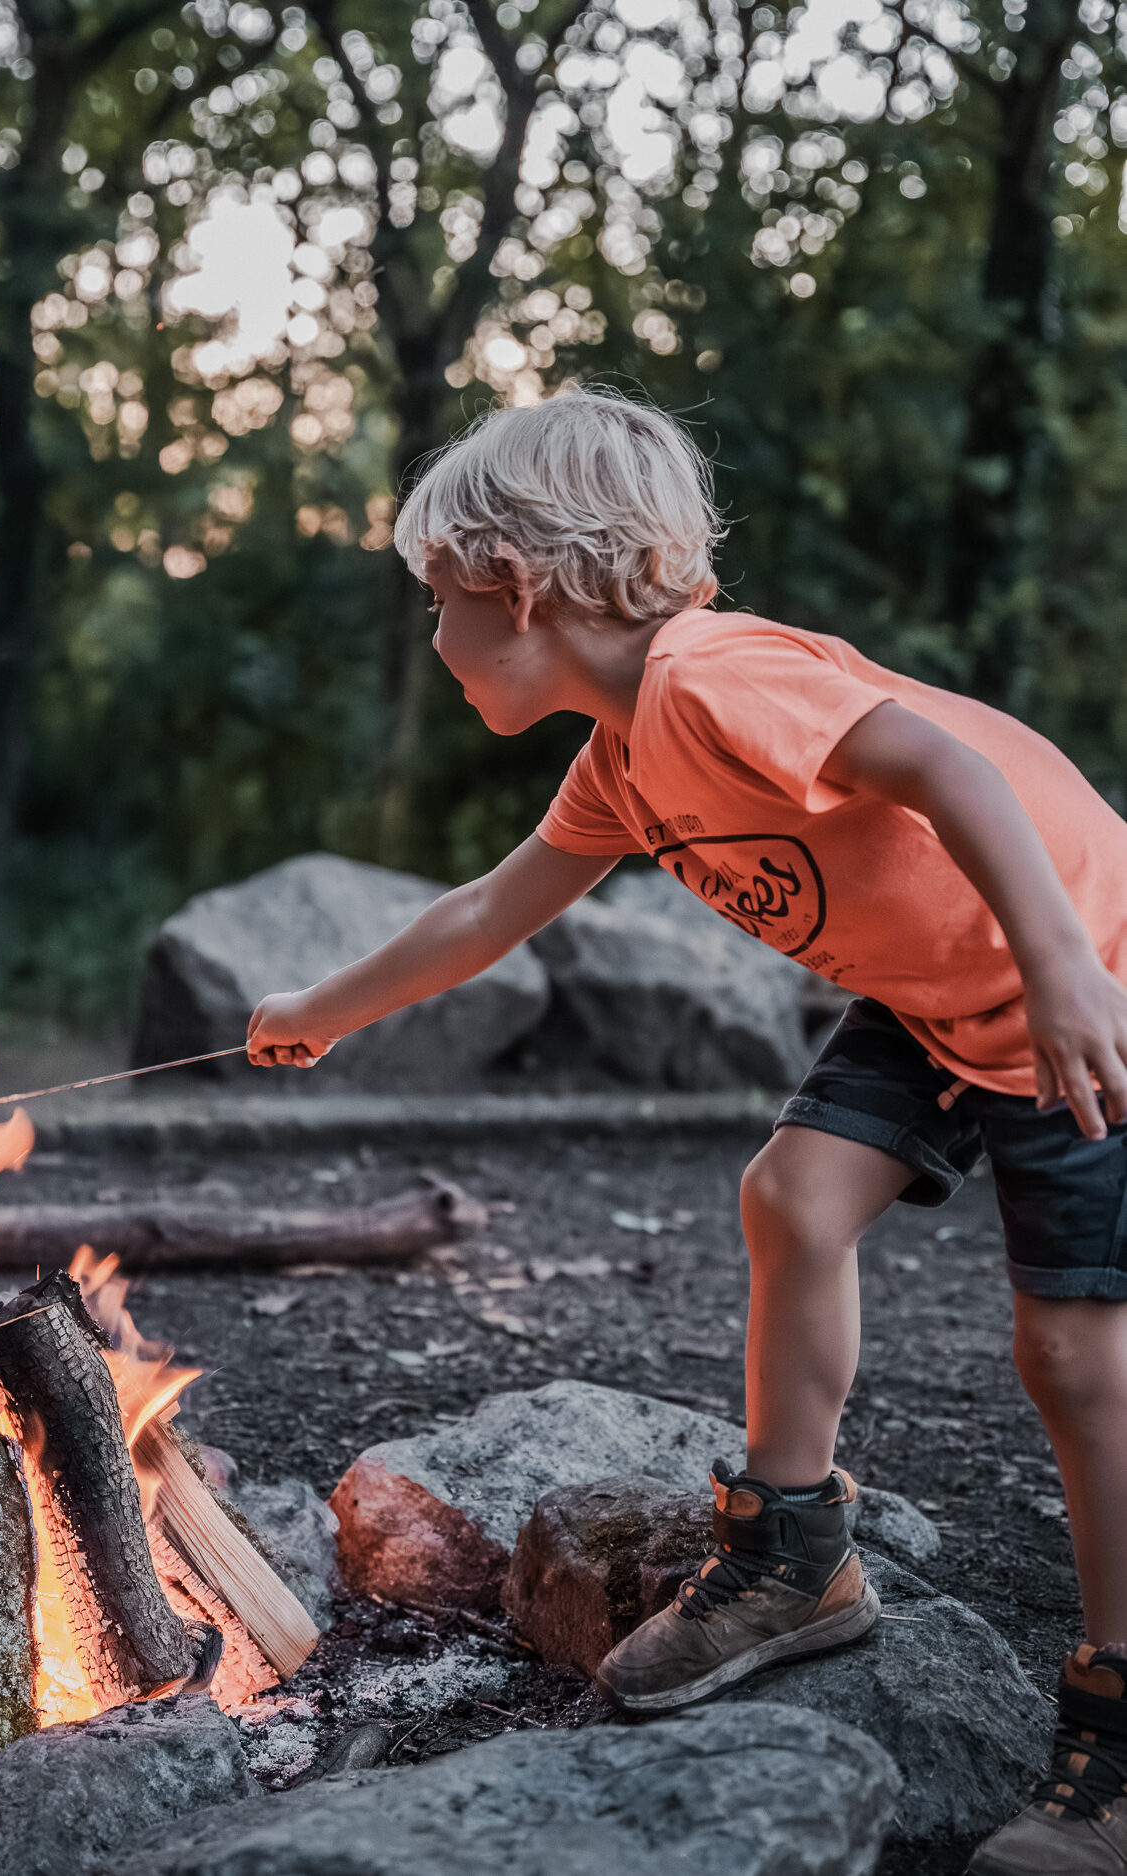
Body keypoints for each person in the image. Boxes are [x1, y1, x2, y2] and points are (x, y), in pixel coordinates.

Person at [245, 387, 1127, 1876]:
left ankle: (1114, 1733)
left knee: (1074, 1358)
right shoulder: (622, 760)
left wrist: (1057, 967)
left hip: (1080, 985)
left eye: (443, 605)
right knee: (789, 1199)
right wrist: (324, 1005)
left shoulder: (715, 677)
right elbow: (485, 912)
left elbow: (948, 768)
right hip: (933, 1004)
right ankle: (794, 1556)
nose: (439, 639)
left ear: (519, 593)